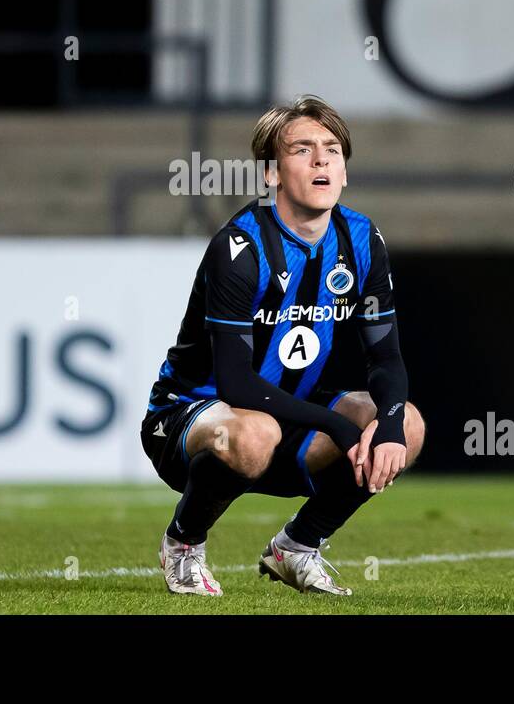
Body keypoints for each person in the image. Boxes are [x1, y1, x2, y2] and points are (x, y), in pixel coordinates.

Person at [140, 94, 425, 596]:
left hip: (285, 421)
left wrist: (391, 424)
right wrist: (337, 426)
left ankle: (296, 547)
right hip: (192, 419)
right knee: (254, 432)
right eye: (302, 149)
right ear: (271, 174)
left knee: (407, 424)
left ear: (345, 170)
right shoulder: (240, 247)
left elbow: (385, 357)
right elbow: (235, 383)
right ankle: (183, 543)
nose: (321, 160)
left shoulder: (361, 238)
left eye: (332, 149)